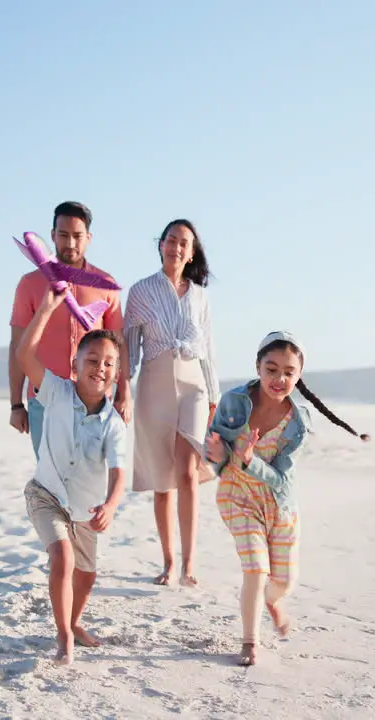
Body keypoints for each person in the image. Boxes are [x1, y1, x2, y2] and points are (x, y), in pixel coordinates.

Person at [206, 330, 370, 667]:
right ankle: (250, 641)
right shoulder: (233, 401)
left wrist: (250, 460)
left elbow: (280, 479)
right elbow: (217, 454)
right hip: (237, 495)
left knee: (283, 583)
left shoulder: (299, 420)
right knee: (256, 568)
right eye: (271, 369)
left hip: (278, 504)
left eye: (288, 372)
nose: (279, 378)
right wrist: (217, 455)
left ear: (298, 376)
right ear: (257, 367)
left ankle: (273, 602)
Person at [16, 284, 129, 666]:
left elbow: (118, 471)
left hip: (85, 509)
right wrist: (46, 310)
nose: (100, 367)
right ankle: (63, 635)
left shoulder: (114, 424)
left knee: (86, 575)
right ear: (75, 367)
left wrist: (111, 505)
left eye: (108, 363)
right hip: (45, 495)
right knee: (61, 559)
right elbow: (24, 354)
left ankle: (75, 621)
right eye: (92, 360)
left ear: (115, 373)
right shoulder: (55, 392)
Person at [123, 219, 219, 587]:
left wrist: (213, 395)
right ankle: (167, 562)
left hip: (194, 385)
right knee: (163, 482)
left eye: (185, 243)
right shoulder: (141, 291)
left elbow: (208, 348)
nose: (178, 248)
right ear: (161, 244)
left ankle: (190, 563)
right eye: (172, 240)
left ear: (191, 252)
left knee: (187, 474)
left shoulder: (199, 295)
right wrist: (122, 392)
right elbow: (130, 345)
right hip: (154, 385)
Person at [9, 201, 130, 457]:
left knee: (90, 483)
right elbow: (17, 346)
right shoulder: (29, 284)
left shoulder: (105, 284)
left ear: (89, 237)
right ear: (52, 235)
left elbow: (119, 344)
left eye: (77, 236)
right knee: (51, 484)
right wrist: (16, 404)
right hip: (46, 401)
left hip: (95, 402)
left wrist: (124, 393)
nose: (70, 243)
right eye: (63, 235)